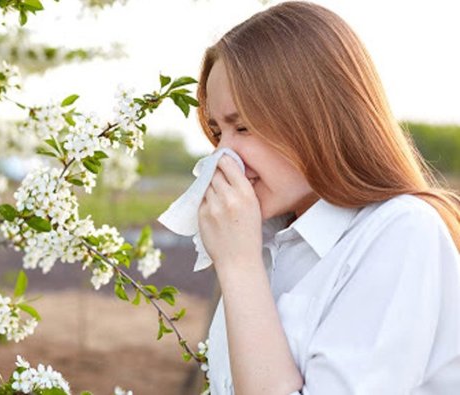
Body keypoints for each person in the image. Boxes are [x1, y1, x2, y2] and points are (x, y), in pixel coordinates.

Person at [194, 1, 460, 394]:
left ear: (316, 116)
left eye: (243, 127)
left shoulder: (400, 232)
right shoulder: (267, 241)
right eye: (218, 133)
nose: (223, 157)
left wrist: (239, 267)